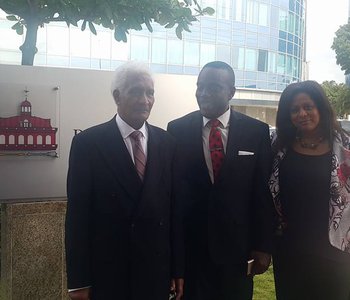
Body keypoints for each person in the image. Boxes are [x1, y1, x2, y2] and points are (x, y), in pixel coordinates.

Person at [65, 62, 184, 300]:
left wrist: (177, 269)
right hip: (109, 273)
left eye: (150, 92)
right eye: (136, 91)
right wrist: (78, 282)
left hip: (155, 272)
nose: (145, 100)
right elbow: (77, 218)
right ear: (117, 96)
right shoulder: (88, 144)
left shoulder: (168, 143)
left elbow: (174, 213)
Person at [167, 61, 273, 300]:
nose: (203, 93)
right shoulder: (177, 130)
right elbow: (175, 196)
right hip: (192, 251)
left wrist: (264, 246)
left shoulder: (256, 132)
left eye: (213, 87)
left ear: (231, 92)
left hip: (238, 251)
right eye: (200, 86)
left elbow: (262, 193)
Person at [269, 80, 350, 300]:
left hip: (335, 250)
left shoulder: (345, 146)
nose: (302, 113)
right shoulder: (277, 146)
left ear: (320, 109)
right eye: (294, 110)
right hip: (290, 250)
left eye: (308, 107)